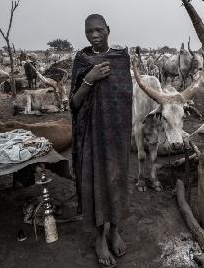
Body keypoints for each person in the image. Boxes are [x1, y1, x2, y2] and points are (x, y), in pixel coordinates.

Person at [70, 14, 132, 267]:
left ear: (108, 29)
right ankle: (99, 238)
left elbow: (126, 98)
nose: (94, 35)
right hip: (91, 136)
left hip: (117, 134)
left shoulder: (121, 59)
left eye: (98, 30)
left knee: (117, 180)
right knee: (95, 183)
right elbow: (74, 104)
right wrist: (89, 79)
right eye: (89, 31)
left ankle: (114, 231)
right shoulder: (82, 61)